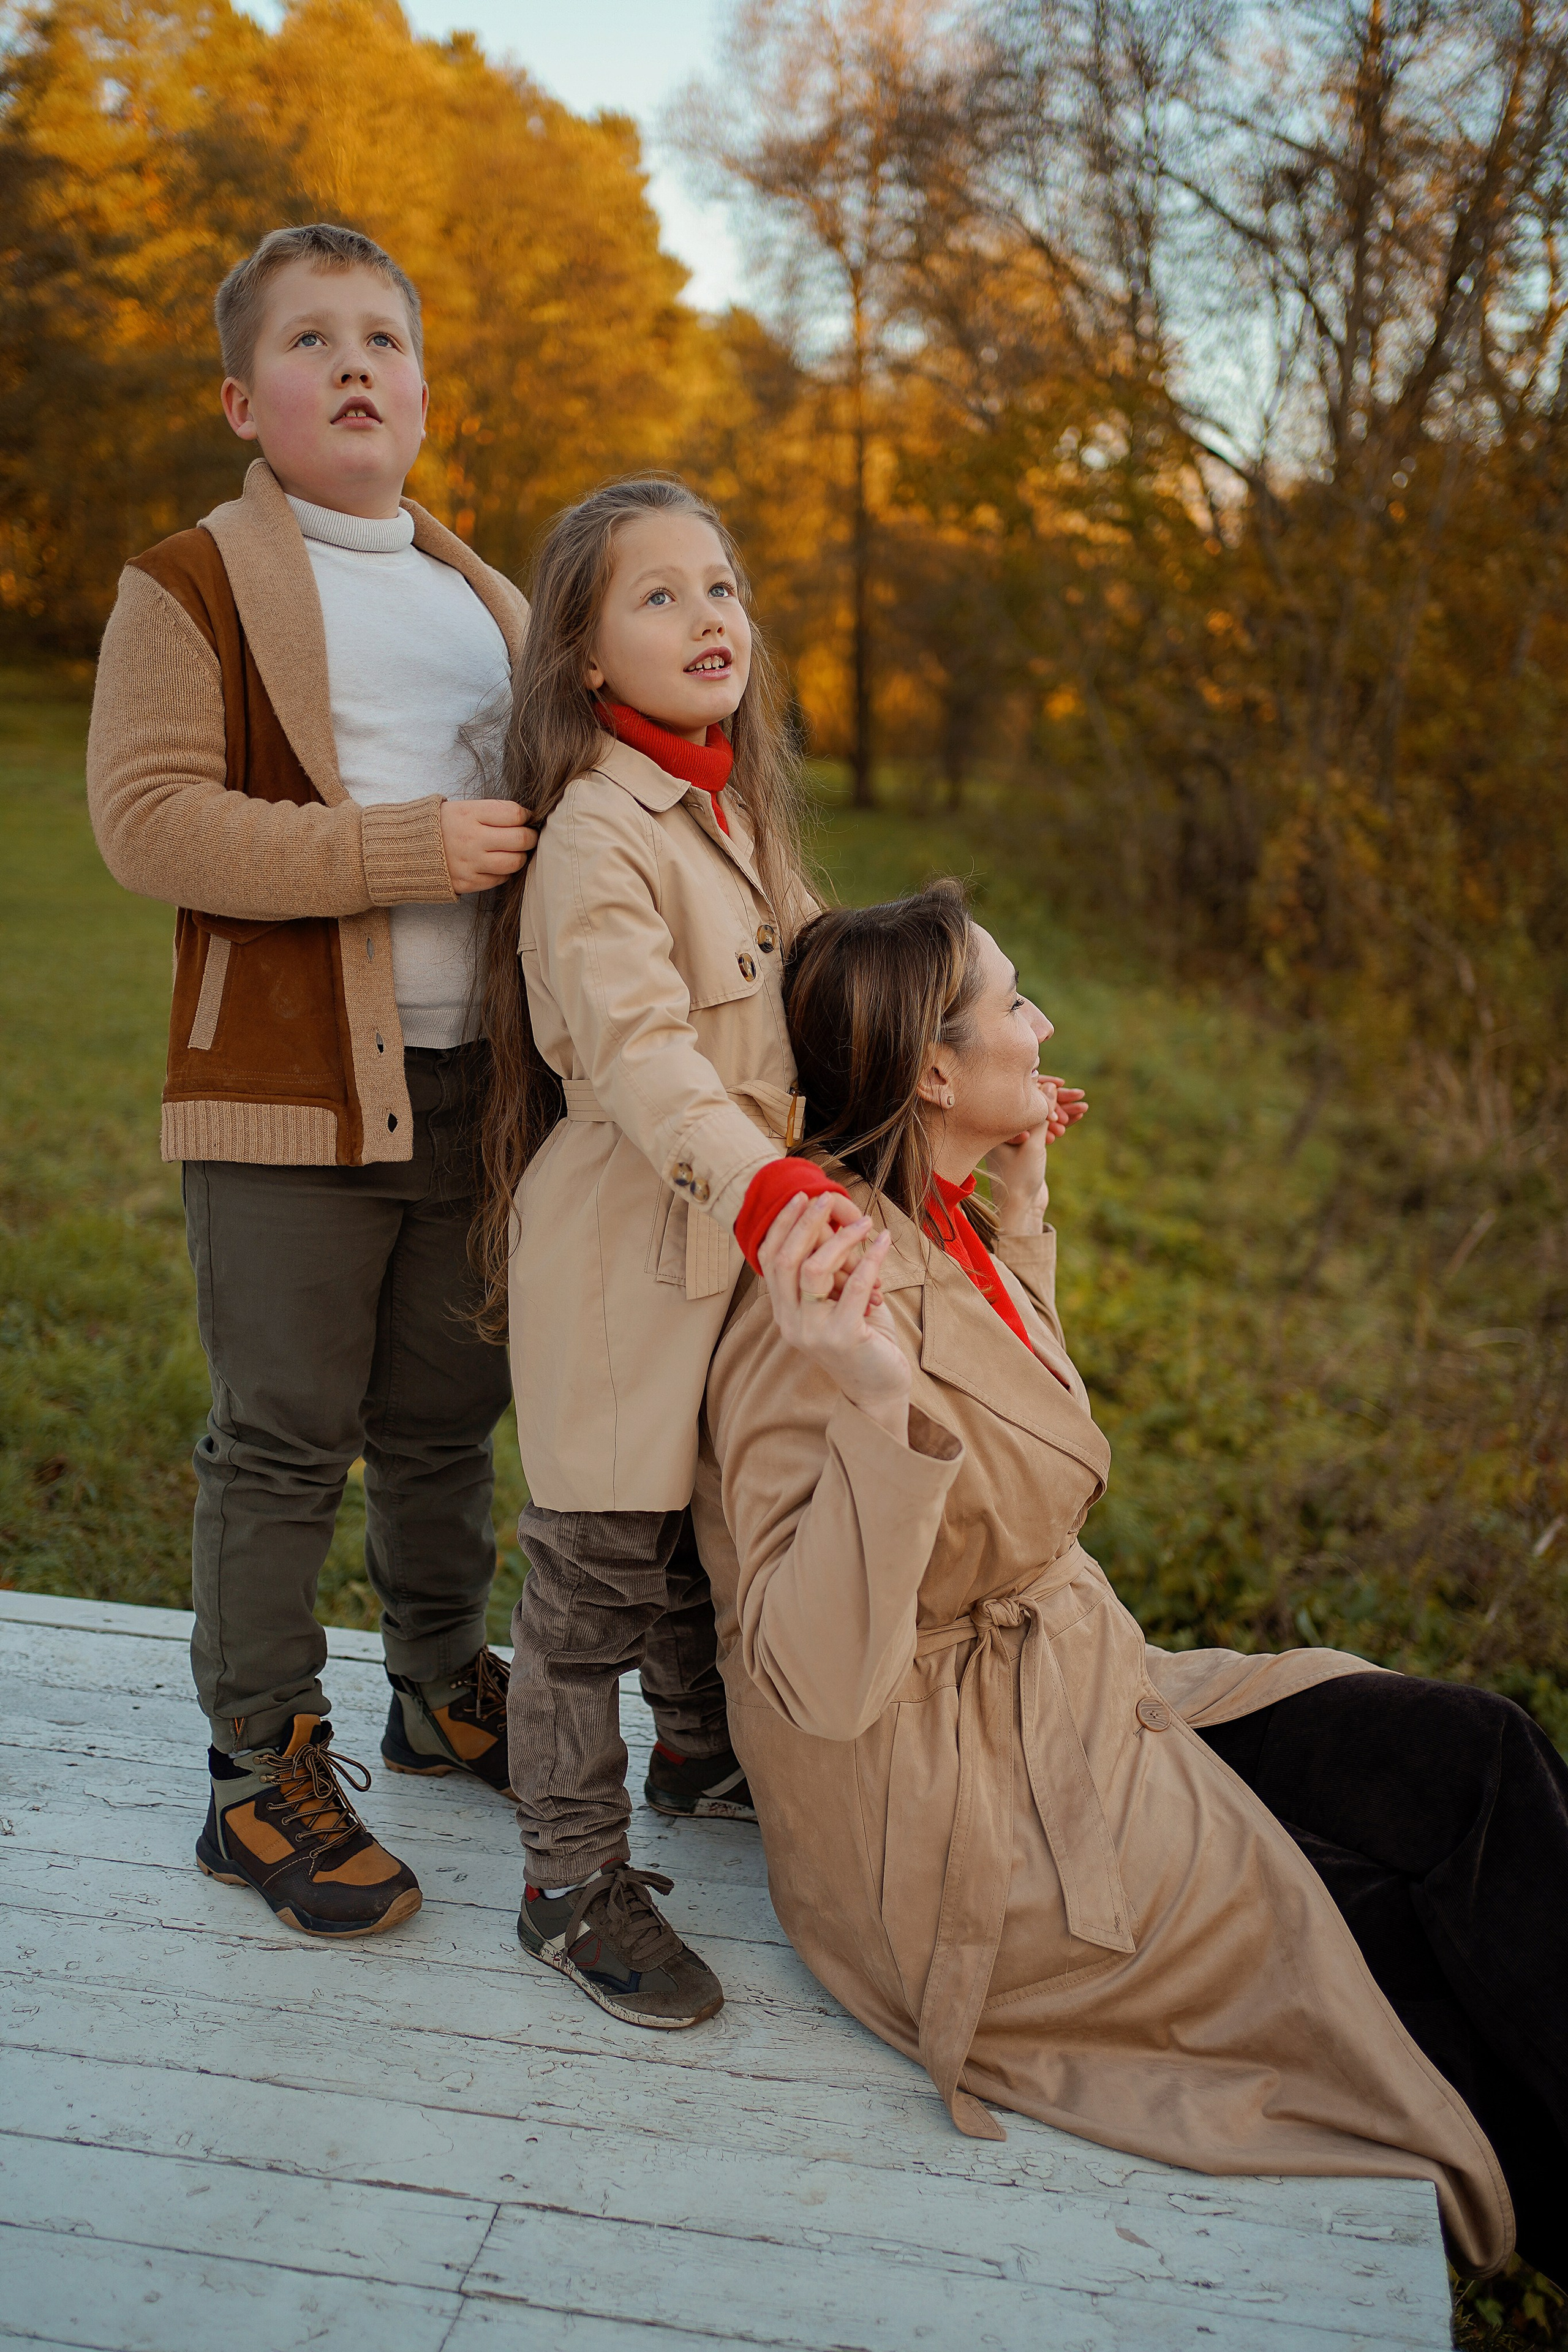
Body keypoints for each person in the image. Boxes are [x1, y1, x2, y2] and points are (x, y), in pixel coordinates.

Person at [692, 880, 1568, 2284]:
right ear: (932, 1068)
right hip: (957, 1807)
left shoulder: (936, 1219)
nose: (1042, 1028)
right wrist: (864, 1400)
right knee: (1370, 1946)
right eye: (1015, 1003)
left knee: (1469, 1753)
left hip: (1078, 1690)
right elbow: (814, 1672)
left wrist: (1021, 1213)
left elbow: (1006, 1444)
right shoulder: (818, 1296)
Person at [86, 223, 536, 1939]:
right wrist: (398, 850)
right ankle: (255, 1768)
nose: (355, 366)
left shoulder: (488, 597)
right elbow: (149, 822)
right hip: (287, 1086)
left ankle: (439, 1686)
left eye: (384, 341)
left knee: (444, 1419)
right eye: (310, 342)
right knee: (282, 1438)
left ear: (422, 393)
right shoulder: (188, 584)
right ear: (240, 401)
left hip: (473, 1084)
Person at [473, 475, 865, 2029]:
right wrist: (763, 1191)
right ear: (581, 655)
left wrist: (950, 1072)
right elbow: (642, 1062)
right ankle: (568, 1879)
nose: (711, 616)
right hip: (633, 1245)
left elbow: (825, 997)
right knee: (592, 1578)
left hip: (744, 1238)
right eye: (660, 595)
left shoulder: (739, 817)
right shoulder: (594, 837)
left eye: (721, 586)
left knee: (711, 1527)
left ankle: (700, 1753)